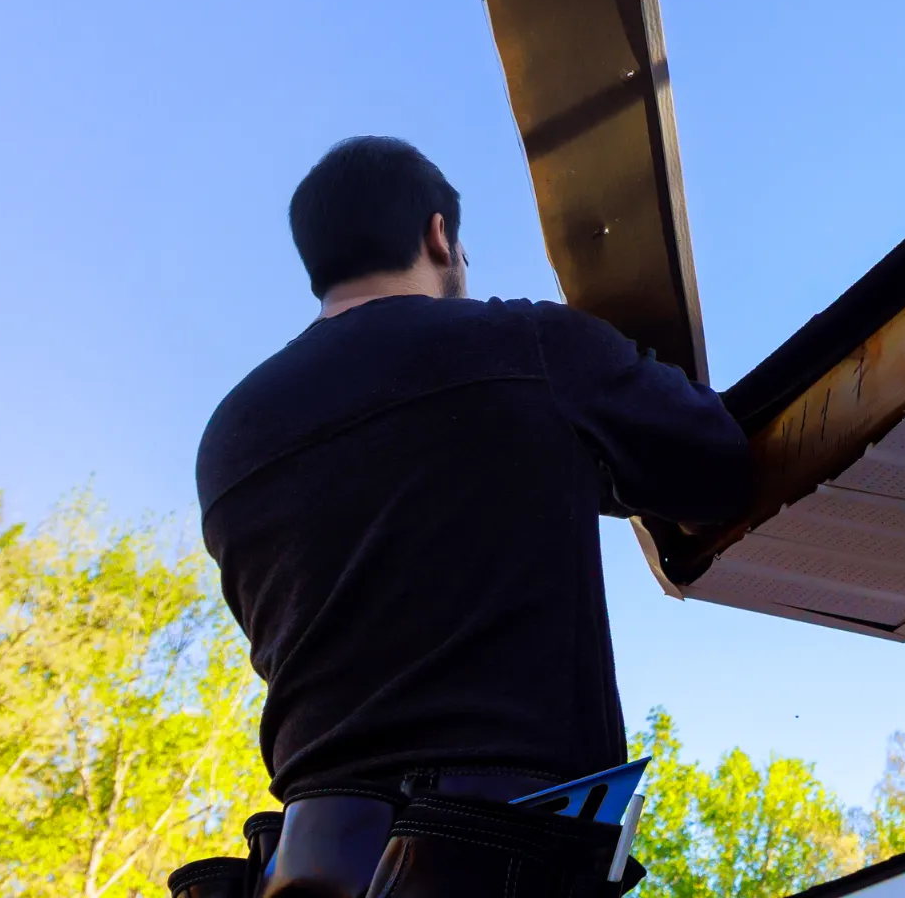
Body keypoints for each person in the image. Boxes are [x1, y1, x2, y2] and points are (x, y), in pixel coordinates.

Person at [183, 136, 751, 898]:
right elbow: (717, 468)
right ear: (438, 235)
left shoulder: (229, 438)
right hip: (498, 852)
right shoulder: (527, 345)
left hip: (306, 863)